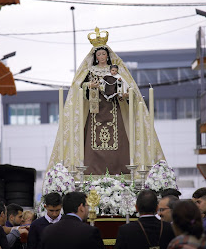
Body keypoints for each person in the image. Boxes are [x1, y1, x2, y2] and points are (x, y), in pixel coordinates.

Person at [45, 27, 164, 176]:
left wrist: (126, 94)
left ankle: (121, 170)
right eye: (99, 54)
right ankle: (92, 172)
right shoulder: (90, 71)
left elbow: (127, 85)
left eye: (104, 53)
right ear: (95, 57)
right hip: (95, 110)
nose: (101, 56)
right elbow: (79, 86)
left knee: (120, 139)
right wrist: (90, 85)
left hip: (114, 107)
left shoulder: (116, 70)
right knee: (90, 141)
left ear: (108, 56)